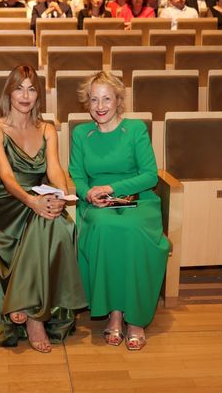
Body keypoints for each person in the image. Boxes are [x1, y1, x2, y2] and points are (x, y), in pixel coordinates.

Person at [0, 65, 86, 353]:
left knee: (58, 221)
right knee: (44, 218)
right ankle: (34, 317)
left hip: (38, 197)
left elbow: (54, 169)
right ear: (9, 92)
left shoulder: (47, 128)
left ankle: (28, 309)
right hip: (3, 201)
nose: (25, 96)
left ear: (38, 95)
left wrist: (61, 196)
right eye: (19, 88)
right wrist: (32, 202)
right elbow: (6, 176)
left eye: (31, 89)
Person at [69, 71, 169, 351]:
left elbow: (149, 175)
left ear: (118, 100)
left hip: (138, 200)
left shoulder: (135, 129)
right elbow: (77, 174)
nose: (100, 106)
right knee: (104, 227)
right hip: (96, 204)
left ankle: (135, 318)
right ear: (87, 103)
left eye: (106, 99)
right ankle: (114, 312)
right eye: (93, 100)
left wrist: (111, 188)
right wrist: (88, 193)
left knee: (133, 230)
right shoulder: (81, 134)